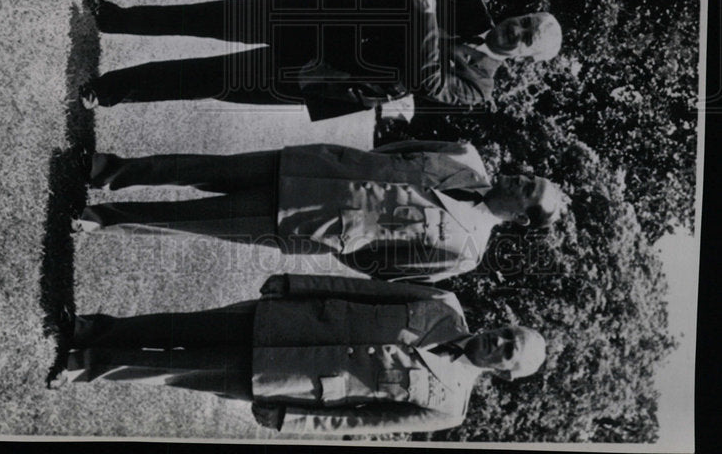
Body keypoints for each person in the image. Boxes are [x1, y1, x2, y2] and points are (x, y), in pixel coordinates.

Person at [50, 273, 546, 436]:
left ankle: (83, 368)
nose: (497, 342)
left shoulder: (447, 408)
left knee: (176, 368)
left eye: (507, 353)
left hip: (289, 377)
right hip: (291, 320)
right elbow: (364, 288)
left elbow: (360, 422)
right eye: (506, 332)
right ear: (499, 322)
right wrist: (296, 284)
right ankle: (92, 330)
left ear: (502, 374)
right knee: (184, 324)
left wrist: (291, 419)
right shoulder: (445, 304)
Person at [72, 141, 565, 282]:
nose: (519, 178)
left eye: (527, 190)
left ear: (521, 217)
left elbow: (382, 268)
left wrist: (343, 233)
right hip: (318, 164)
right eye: (527, 176)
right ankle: (110, 169)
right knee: (210, 167)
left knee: (200, 221)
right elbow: (400, 148)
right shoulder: (465, 155)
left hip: (312, 223)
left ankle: (104, 217)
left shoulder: (466, 251)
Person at [79, 0, 562, 119]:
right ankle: (119, 18)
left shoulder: (480, 87)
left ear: (522, 59)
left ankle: (108, 90)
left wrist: (426, 15)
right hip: (323, 16)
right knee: (214, 16)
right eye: (522, 22)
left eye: (523, 39)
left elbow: (427, 79)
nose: (513, 31)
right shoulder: (471, 2)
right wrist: (425, 8)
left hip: (324, 74)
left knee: (210, 78)